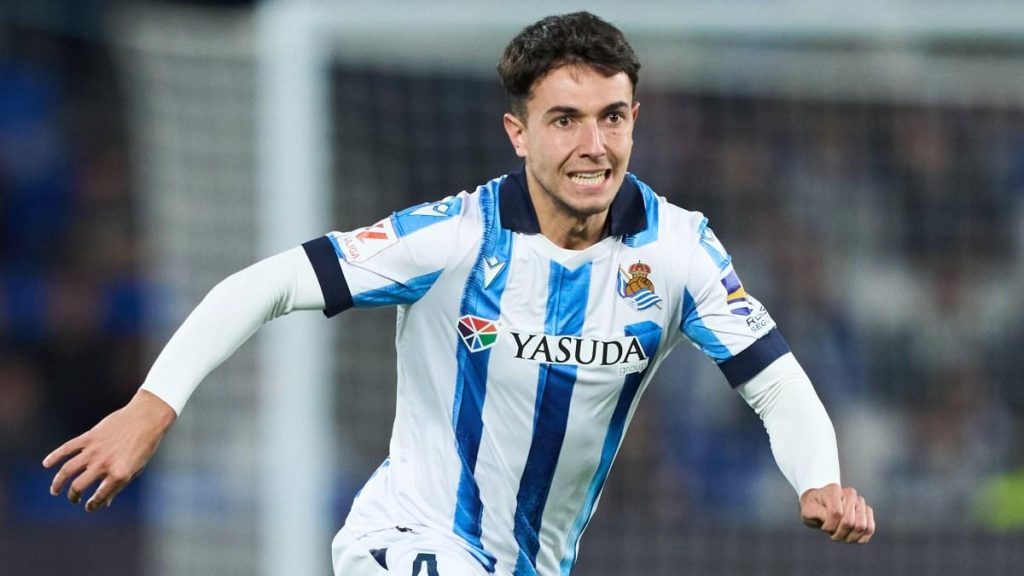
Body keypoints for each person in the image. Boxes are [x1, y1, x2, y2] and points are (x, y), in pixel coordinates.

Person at [43, 12, 875, 576]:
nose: (594, 144)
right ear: (518, 132)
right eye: (565, 119)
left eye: (613, 117)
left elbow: (773, 383)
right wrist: (151, 408)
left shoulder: (679, 251)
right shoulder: (453, 239)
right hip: (405, 540)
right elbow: (270, 282)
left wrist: (819, 478)